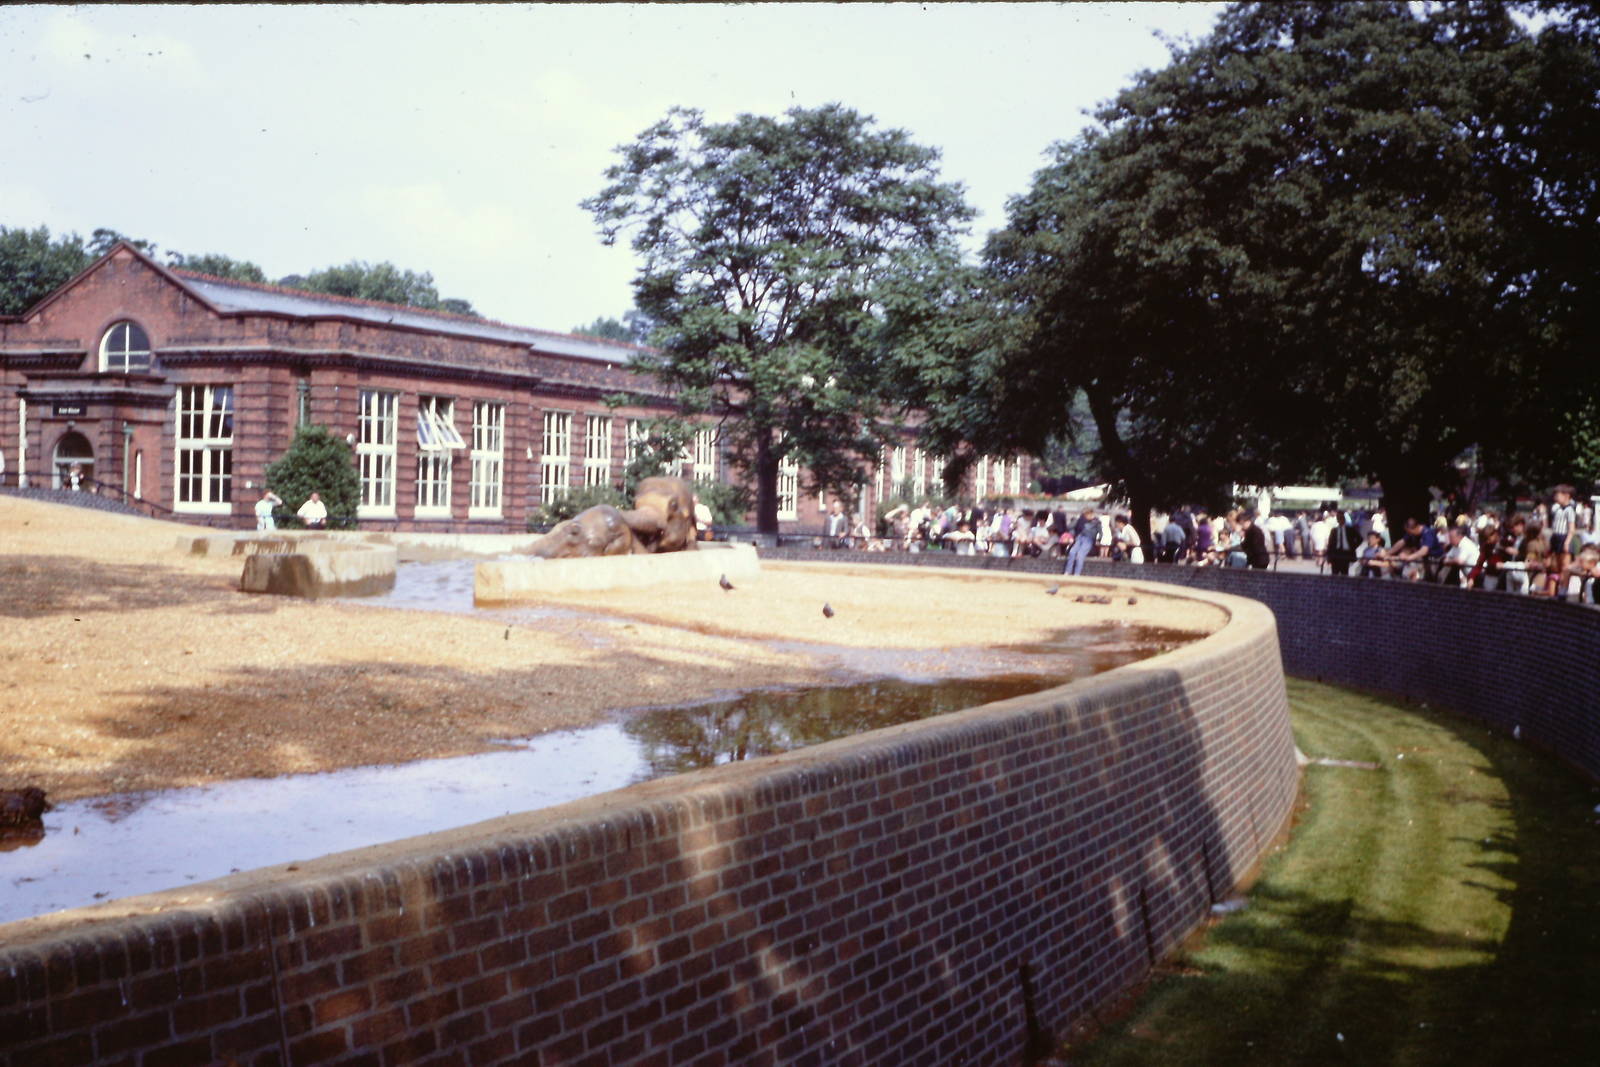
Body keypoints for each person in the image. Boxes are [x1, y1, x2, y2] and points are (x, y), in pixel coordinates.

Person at [1063, 507, 1100, 576]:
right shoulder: (1080, 520)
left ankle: (1077, 573)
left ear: (1091, 514)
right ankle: (1067, 571)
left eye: (1087, 514)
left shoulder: (1096, 522)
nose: (1085, 516)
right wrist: (1076, 519)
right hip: (1079, 538)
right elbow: (1069, 527)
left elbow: (1099, 532)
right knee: (1072, 552)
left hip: (1088, 539)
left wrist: (1098, 540)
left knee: (1080, 555)